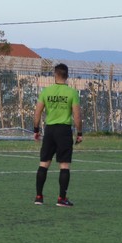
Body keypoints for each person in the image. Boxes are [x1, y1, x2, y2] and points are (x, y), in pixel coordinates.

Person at [33, 63, 83, 207]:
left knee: (44, 163)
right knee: (64, 165)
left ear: (55, 75)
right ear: (67, 76)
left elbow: (37, 113)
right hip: (64, 131)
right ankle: (61, 199)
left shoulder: (46, 91)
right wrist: (79, 133)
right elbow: (77, 116)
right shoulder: (72, 93)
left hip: (49, 131)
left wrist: (36, 130)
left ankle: (38, 197)